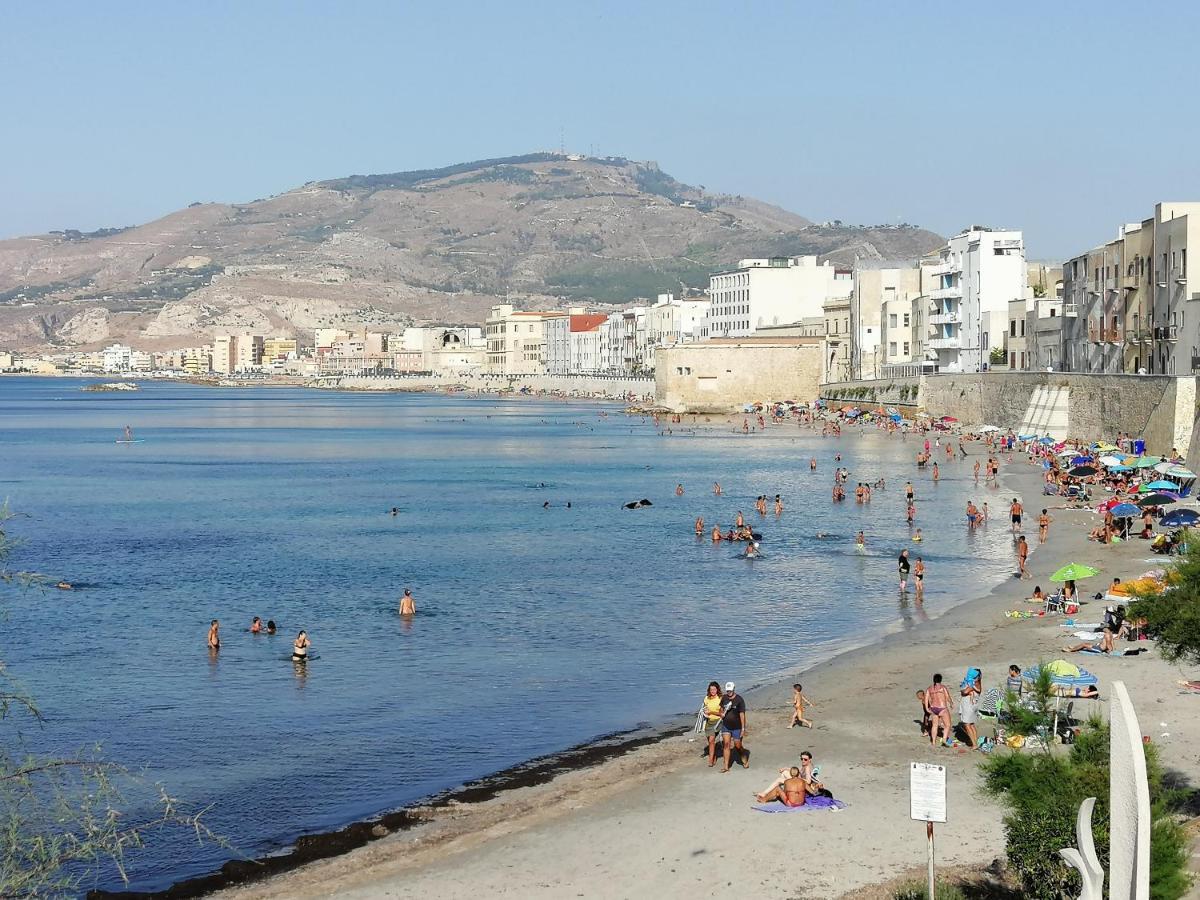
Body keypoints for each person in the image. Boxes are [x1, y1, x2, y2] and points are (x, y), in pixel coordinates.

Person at [719, 681, 748, 772]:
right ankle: (726, 766)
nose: (729, 693)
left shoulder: (739, 699)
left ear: (734, 689)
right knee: (726, 744)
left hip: (737, 727)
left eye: (730, 691)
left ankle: (744, 758)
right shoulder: (724, 698)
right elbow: (721, 709)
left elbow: (742, 714)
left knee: (737, 745)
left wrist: (743, 728)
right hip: (726, 726)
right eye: (728, 691)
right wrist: (721, 714)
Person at [924, 674, 953, 747]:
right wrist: (951, 703)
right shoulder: (943, 687)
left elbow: (926, 699)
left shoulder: (929, 688)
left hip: (933, 708)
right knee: (947, 725)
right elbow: (947, 697)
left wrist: (927, 709)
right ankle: (944, 739)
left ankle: (933, 742)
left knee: (935, 726)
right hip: (942, 708)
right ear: (941, 679)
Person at [700, 681, 723, 767]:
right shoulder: (707, 698)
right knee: (710, 742)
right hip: (708, 722)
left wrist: (711, 712)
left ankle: (711, 759)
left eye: (714, 689)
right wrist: (705, 712)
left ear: (717, 689)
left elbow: (722, 713)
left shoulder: (720, 698)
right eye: (711, 689)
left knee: (711, 740)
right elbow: (704, 709)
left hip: (718, 722)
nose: (712, 691)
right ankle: (714, 755)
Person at [959, 668, 981, 749]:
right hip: (972, 705)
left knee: (967, 724)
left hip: (969, 706)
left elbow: (964, 692)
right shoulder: (977, 683)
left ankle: (974, 744)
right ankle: (975, 742)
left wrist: (963, 690)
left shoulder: (973, 684)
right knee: (971, 724)